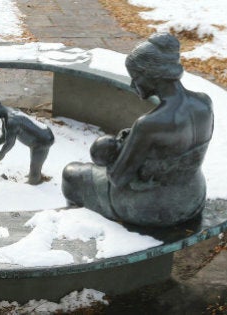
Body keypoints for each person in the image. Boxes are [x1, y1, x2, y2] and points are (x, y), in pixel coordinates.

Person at [61, 33, 214, 227]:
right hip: (193, 196)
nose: (133, 85)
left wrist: (114, 154)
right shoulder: (204, 103)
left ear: (152, 76)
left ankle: (78, 232)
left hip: (154, 208)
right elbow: (173, 151)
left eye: (136, 78)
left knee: (72, 175)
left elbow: (117, 178)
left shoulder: (149, 124)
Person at [0, 93, 54, 185]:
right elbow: (5, 134)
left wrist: (2, 153)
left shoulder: (11, 121)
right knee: (35, 163)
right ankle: (35, 176)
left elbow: (10, 142)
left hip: (43, 140)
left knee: (35, 166)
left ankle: (34, 181)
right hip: (40, 137)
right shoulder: (8, 114)